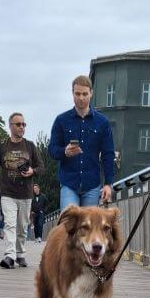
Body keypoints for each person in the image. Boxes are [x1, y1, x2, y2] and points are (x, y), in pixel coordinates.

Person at [0, 112, 44, 269]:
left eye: (24, 124)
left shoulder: (30, 146)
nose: (22, 127)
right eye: (18, 124)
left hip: (25, 194)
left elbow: (41, 167)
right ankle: (9, 255)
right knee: (9, 224)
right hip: (7, 193)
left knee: (22, 226)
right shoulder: (2, 146)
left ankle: (20, 253)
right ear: (10, 126)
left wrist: (32, 171)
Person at [48, 75, 115, 210]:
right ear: (72, 93)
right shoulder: (61, 120)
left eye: (85, 94)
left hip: (92, 185)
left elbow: (108, 154)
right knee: (68, 225)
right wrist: (64, 152)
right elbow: (52, 150)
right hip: (69, 183)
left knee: (88, 229)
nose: (81, 98)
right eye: (77, 94)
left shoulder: (103, 123)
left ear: (91, 93)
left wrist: (108, 184)